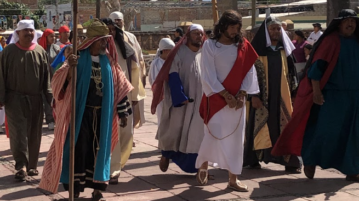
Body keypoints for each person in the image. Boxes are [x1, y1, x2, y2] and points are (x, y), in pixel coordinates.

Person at [39, 19, 133, 199]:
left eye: (107, 40)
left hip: (102, 115)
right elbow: (58, 83)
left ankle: (98, 188)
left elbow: (119, 85)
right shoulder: (78, 59)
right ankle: (75, 190)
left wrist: (123, 111)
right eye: (102, 40)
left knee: (101, 150)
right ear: (94, 40)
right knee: (78, 150)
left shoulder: (108, 61)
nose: (106, 43)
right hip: (80, 115)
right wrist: (69, 70)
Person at [272, 9, 359, 181]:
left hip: (355, 95)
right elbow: (316, 68)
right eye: (346, 21)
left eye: (353, 21)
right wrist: (317, 92)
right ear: (339, 24)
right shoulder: (331, 41)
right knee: (326, 132)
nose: (350, 24)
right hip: (332, 96)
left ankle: (352, 169)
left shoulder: (357, 41)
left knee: (353, 134)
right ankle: (311, 160)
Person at [195, 10, 259, 192]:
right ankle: (204, 166)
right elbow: (208, 74)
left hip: (237, 101)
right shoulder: (211, 46)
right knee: (212, 134)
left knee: (236, 140)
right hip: (216, 98)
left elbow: (249, 71)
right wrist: (226, 95)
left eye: (238, 27)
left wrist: (242, 94)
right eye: (232, 26)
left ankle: (233, 179)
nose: (235, 30)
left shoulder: (243, 45)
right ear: (222, 26)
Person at [243, 16, 301, 173]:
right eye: (272, 28)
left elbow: (292, 73)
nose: (276, 31)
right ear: (266, 31)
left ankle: (289, 161)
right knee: (258, 126)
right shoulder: (256, 51)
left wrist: (295, 92)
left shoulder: (285, 51)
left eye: (278, 28)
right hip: (261, 98)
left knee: (285, 125)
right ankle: (253, 159)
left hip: (282, 97)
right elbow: (249, 75)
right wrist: (253, 95)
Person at [0, 20, 52, 180]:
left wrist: (50, 99)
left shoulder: (40, 51)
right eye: (25, 31)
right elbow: (0, 76)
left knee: (34, 133)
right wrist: (1, 97)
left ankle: (32, 166)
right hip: (14, 100)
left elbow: (46, 78)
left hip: (35, 99)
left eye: (31, 31)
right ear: (18, 33)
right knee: (18, 133)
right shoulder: (8, 52)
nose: (29, 34)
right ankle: (20, 166)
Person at [151, 24, 205, 174]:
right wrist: (179, 96)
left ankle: (196, 166)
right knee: (174, 130)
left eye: (200, 34)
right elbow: (173, 74)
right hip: (180, 100)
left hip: (198, 101)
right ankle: (166, 155)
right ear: (188, 35)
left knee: (195, 133)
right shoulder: (179, 52)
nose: (198, 36)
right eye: (195, 33)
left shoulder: (205, 53)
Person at [101, 17, 138, 184]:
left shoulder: (125, 47)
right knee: (111, 133)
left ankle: (117, 165)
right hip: (104, 97)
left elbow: (135, 70)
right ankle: (112, 170)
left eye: (113, 29)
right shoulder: (98, 50)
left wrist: (135, 95)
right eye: (107, 30)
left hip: (125, 96)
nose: (110, 33)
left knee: (127, 133)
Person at [149, 38, 175, 125]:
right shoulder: (155, 64)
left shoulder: (174, 62)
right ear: (164, 51)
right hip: (161, 97)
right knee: (162, 121)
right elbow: (152, 79)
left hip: (173, 95)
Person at [38, 28, 60, 130]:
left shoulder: (56, 48)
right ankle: (50, 120)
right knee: (47, 99)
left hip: (55, 77)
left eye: (54, 36)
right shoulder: (41, 49)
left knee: (55, 98)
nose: (53, 38)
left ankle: (56, 118)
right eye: (51, 36)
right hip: (44, 78)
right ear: (46, 37)